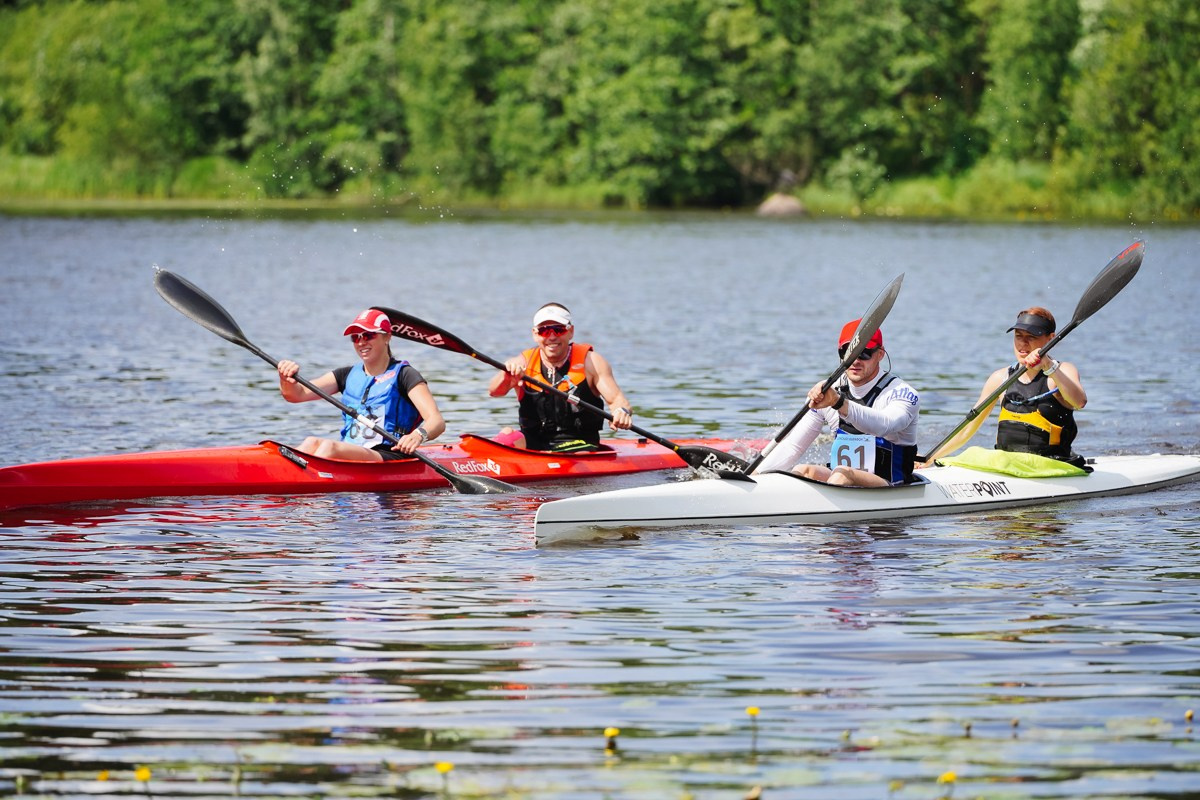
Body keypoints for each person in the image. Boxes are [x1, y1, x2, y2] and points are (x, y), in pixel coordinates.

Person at [754, 320, 920, 486]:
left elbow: (884, 425)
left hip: (890, 486)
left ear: (880, 354)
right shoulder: (828, 390)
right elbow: (793, 447)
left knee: (843, 473)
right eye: (848, 352)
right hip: (840, 480)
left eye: (864, 353)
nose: (855, 361)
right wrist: (756, 476)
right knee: (804, 470)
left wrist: (839, 402)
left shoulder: (902, 394)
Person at [921, 306, 1086, 466]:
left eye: (1031, 337)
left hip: (1053, 464)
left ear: (1050, 339)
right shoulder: (1000, 378)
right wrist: (930, 458)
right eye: (1018, 336)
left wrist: (1048, 366)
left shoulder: (1062, 371)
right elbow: (968, 428)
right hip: (1006, 465)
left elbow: (1079, 402)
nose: (1023, 343)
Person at [277, 308, 446, 461]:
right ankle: (285, 475)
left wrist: (418, 435)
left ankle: (301, 484)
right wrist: (286, 379)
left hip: (391, 453)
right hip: (352, 452)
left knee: (329, 447)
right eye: (355, 337)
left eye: (368, 335)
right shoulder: (346, 375)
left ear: (387, 337)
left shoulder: (405, 375)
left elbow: (436, 421)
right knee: (311, 441)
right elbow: (296, 394)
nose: (361, 342)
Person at [489, 302, 634, 452]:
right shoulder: (522, 362)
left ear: (570, 331)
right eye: (544, 331)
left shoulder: (592, 362)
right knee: (506, 434)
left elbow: (618, 400)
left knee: (580, 453)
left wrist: (621, 412)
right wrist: (506, 377)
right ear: (535, 334)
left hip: (580, 444)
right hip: (534, 441)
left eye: (558, 330)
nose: (551, 337)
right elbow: (494, 392)